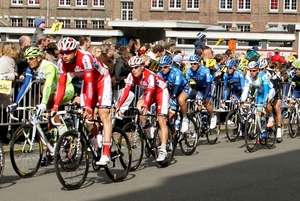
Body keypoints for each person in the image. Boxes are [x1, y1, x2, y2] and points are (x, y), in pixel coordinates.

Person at [51, 37, 112, 166]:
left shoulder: (85, 57)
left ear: (75, 50)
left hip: (102, 80)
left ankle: (106, 152)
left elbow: (90, 83)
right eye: (61, 53)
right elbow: (61, 86)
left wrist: (89, 107)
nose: (64, 56)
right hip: (88, 83)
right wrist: (55, 107)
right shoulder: (62, 62)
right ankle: (97, 139)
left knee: (103, 113)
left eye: (67, 52)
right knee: (88, 120)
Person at [116, 56, 169, 162]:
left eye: (135, 67)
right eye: (131, 68)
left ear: (142, 67)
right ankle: (148, 127)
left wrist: (146, 105)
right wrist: (118, 106)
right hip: (149, 92)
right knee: (138, 107)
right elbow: (126, 91)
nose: (133, 70)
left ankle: (163, 149)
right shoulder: (131, 75)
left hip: (160, 92)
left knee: (161, 120)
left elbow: (150, 92)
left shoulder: (149, 75)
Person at [157, 55, 194, 133]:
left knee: (180, 100)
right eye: (160, 67)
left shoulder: (177, 72)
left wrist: (171, 98)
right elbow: (158, 88)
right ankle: (173, 132)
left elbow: (177, 87)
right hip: (172, 90)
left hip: (183, 88)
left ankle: (185, 118)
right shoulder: (159, 74)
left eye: (165, 67)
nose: (162, 69)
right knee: (170, 113)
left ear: (170, 65)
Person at [241, 60, 275, 133]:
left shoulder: (263, 76)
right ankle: (262, 131)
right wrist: (242, 100)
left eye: (254, 70)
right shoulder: (249, 77)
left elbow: (266, 89)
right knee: (259, 113)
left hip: (269, 91)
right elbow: (246, 90)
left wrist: (265, 101)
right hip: (260, 93)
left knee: (266, 104)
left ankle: (271, 117)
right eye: (250, 71)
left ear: (258, 70)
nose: (252, 72)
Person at [185, 54, 217, 129]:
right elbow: (187, 84)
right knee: (198, 105)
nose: (193, 65)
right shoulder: (189, 71)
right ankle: (198, 125)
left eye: (195, 63)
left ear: (199, 63)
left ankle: (212, 116)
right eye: (191, 63)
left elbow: (209, 85)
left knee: (206, 104)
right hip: (200, 88)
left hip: (209, 87)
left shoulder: (205, 70)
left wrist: (205, 97)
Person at [0, 42, 21, 144]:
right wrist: (13, 75)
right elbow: (1, 75)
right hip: (3, 93)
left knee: (5, 115)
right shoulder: (4, 61)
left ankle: (4, 136)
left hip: (7, 93)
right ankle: (2, 137)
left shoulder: (10, 61)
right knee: (3, 116)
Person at [264, 57, 283, 141]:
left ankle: (279, 128)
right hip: (268, 92)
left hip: (276, 90)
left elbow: (279, 81)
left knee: (277, 108)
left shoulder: (272, 72)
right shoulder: (260, 73)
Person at [114, 47, 134, 118]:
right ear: (127, 59)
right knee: (129, 95)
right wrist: (123, 79)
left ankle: (120, 111)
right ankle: (118, 111)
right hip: (117, 87)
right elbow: (117, 75)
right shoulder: (120, 64)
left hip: (121, 86)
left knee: (130, 95)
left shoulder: (125, 65)